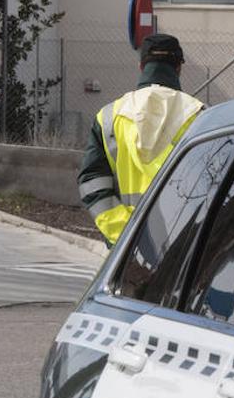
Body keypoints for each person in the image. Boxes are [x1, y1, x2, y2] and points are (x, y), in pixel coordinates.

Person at [78, 34, 205, 244]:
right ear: (179, 67)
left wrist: (124, 237)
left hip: (127, 247)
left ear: (141, 66)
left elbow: (92, 184)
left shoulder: (108, 117)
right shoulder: (199, 116)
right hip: (182, 245)